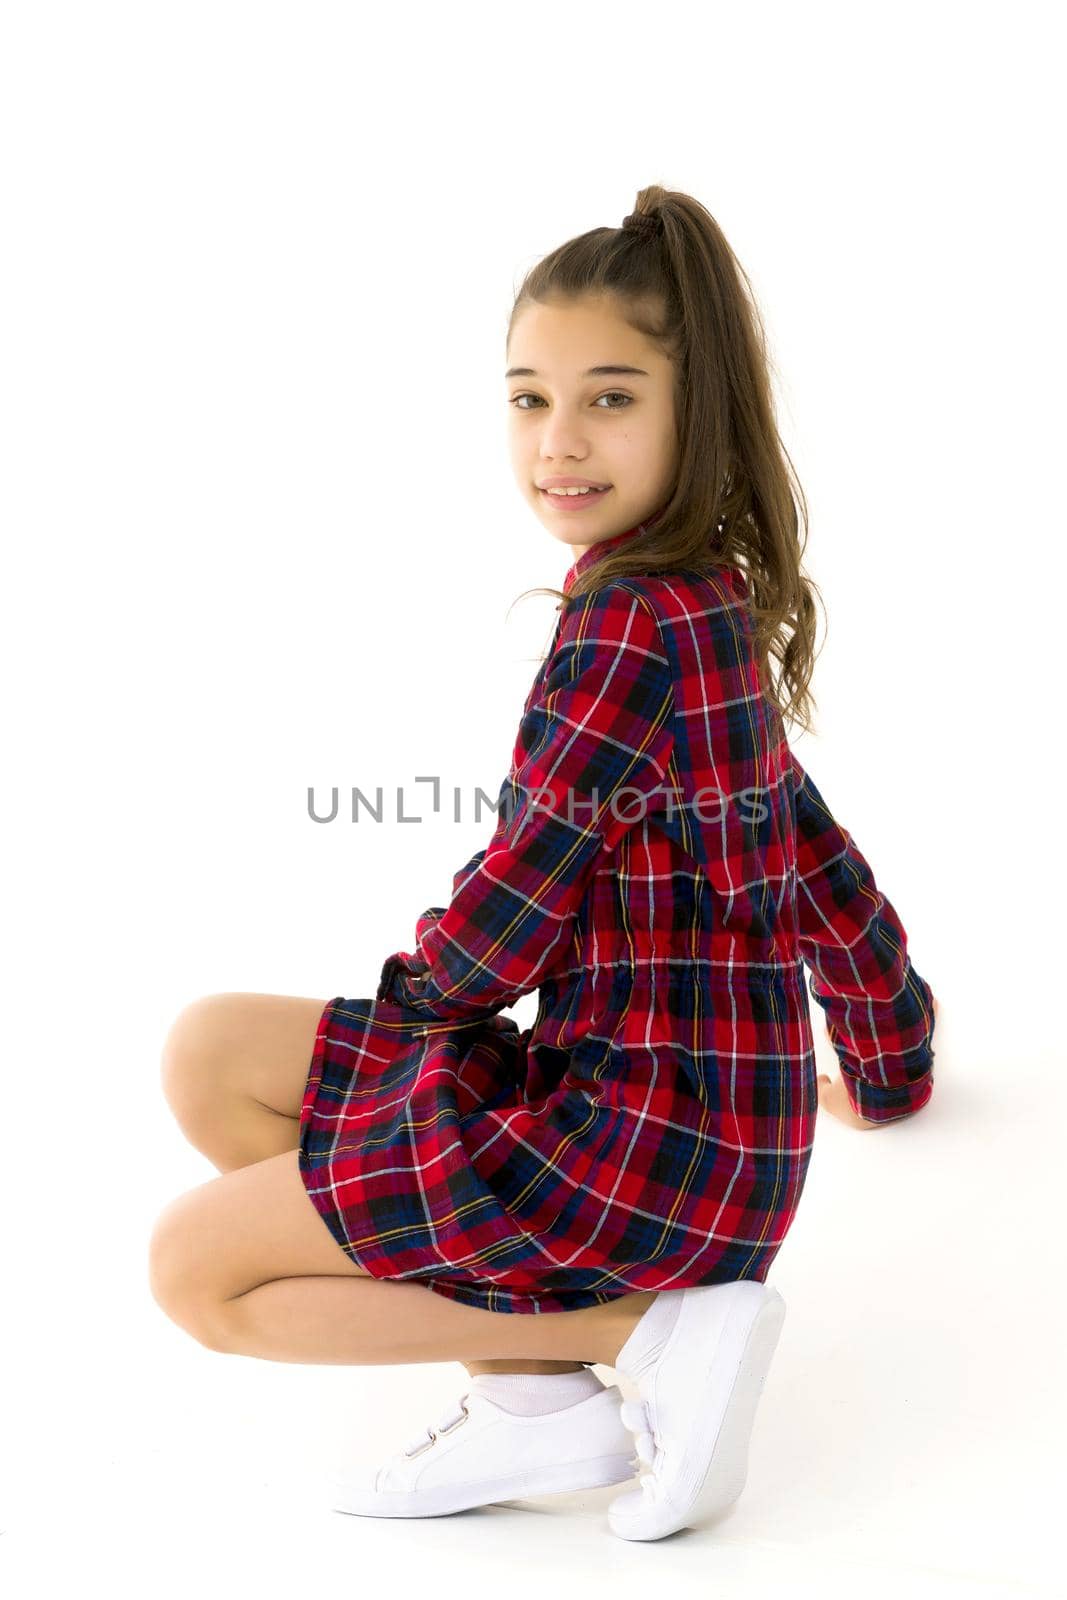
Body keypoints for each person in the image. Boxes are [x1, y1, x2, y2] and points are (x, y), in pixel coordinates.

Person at [149, 185, 938, 1542]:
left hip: (634, 1148)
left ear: (698, 416)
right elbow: (825, 871)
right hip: (708, 1140)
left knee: (197, 1276)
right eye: (529, 399)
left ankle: (644, 1330)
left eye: (612, 399)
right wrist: (890, 1060)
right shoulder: (706, 607)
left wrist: (406, 1035)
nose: (559, 442)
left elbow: (511, 914)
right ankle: (540, 1414)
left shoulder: (629, 627)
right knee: (215, 1054)